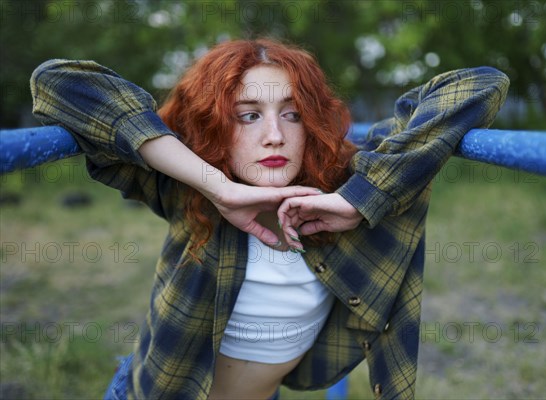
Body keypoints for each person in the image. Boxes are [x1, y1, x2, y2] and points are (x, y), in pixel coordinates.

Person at [30, 38, 509, 400]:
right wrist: (218, 187)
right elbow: (57, 81)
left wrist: (358, 201)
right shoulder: (188, 187)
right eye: (248, 116)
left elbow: (482, 84)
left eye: (293, 114)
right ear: (215, 124)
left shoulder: (346, 180)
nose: (275, 136)